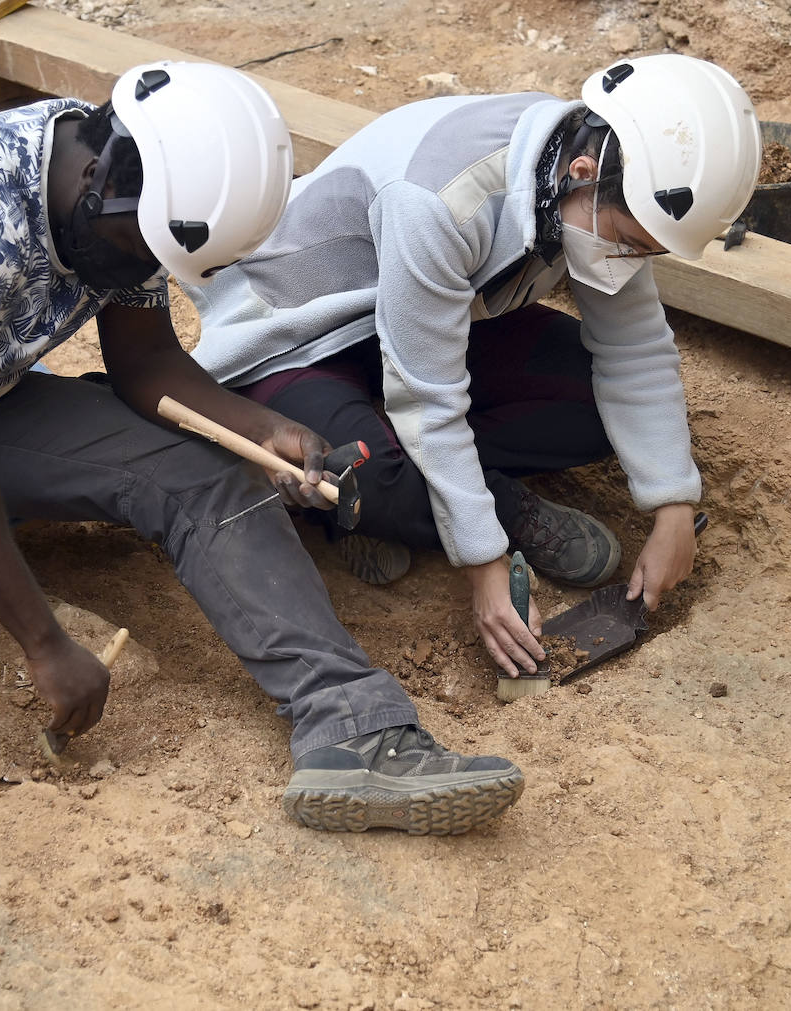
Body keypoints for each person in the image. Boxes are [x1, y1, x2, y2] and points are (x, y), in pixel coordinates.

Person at [0, 62, 526, 969]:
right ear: (105, 180)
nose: (144, 273)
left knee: (200, 467)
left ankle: (351, 726)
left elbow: (147, 369)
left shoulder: (137, 194)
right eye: (143, 256)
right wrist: (46, 643)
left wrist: (263, 428)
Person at [185, 54, 760, 678]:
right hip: (303, 336)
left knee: (599, 403)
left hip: (424, 323)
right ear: (583, 172)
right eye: (630, 241)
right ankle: (474, 504)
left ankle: (408, 487)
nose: (629, 259)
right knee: (360, 472)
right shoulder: (440, 200)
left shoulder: (588, 188)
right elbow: (429, 399)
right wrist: (486, 559)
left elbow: (636, 352)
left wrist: (674, 508)